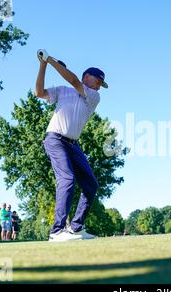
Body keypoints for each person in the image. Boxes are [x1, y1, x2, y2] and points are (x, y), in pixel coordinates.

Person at [35, 49, 107, 242]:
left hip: (73, 144)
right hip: (55, 140)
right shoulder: (62, 90)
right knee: (67, 179)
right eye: (98, 81)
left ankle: (76, 227)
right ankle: (57, 231)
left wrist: (50, 60)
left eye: (101, 84)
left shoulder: (93, 96)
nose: (99, 86)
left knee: (90, 184)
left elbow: (74, 81)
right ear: (87, 77)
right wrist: (43, 65)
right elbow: (39, 92)